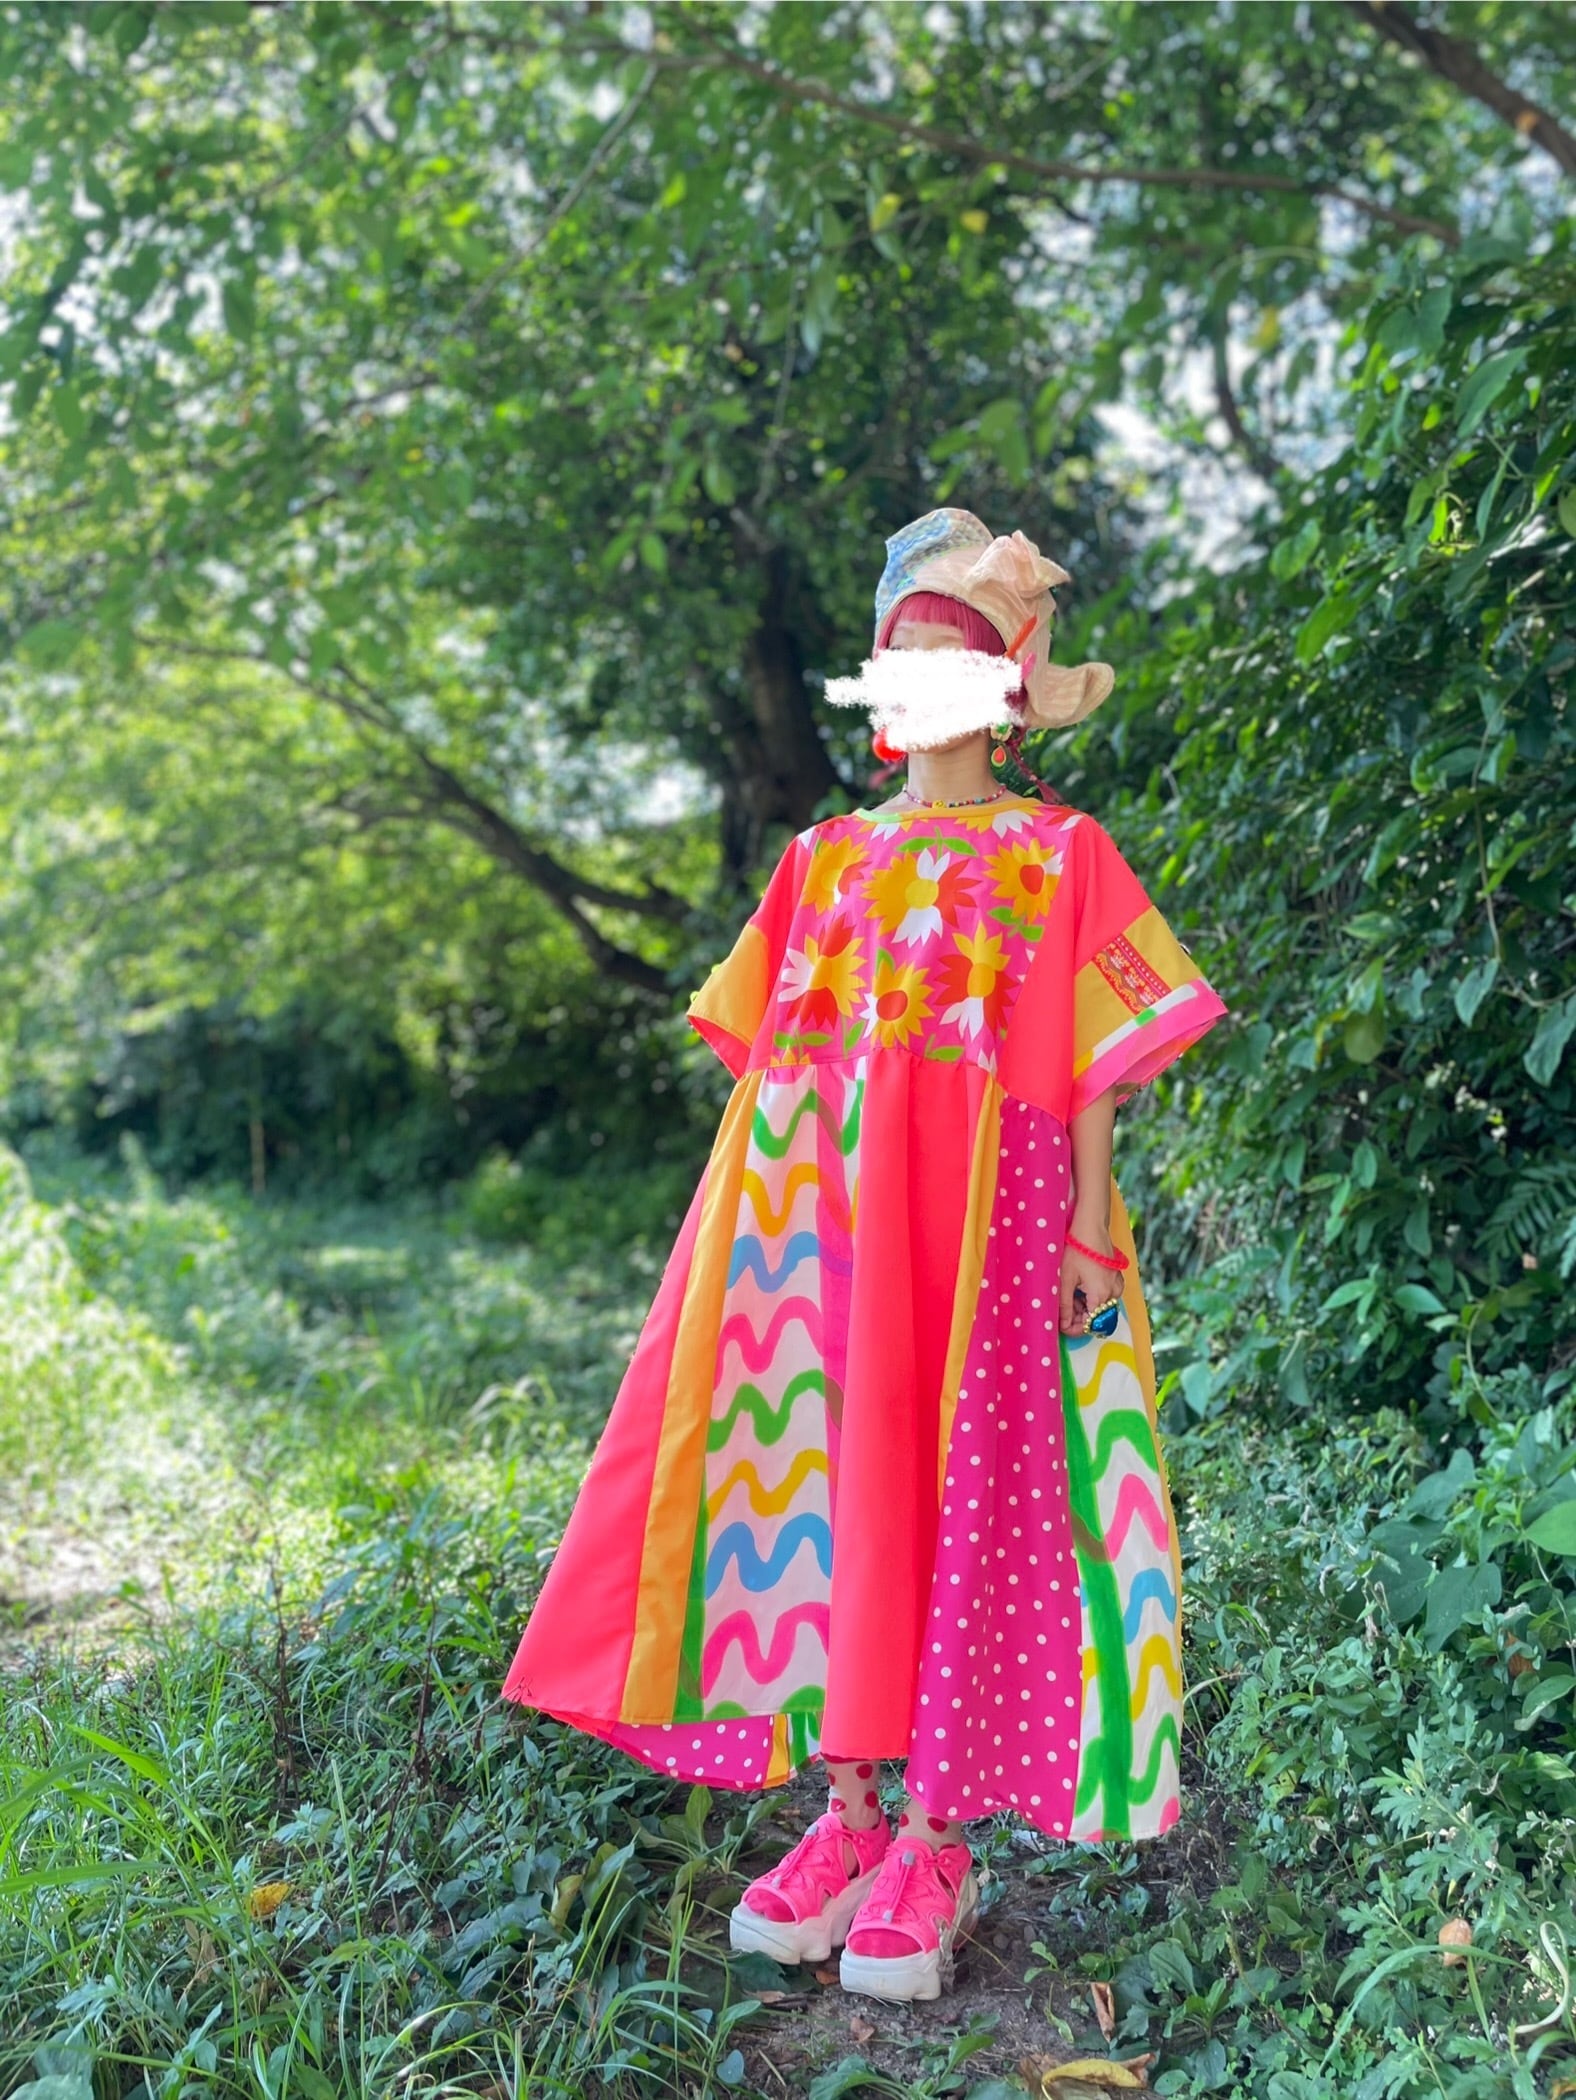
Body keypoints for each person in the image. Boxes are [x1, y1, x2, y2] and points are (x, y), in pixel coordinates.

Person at [501, 508, 1229, 2003]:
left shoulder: (1061, 853)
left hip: (992, 1220)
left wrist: (1091, 1226)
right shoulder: (825, 859)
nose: (917, 683)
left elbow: (1097, 1062)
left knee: (966, 1488)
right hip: (820, 1233)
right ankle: (847, 1813)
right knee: (827, 1488)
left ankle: (940, 1839)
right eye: (900, 658)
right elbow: (767, 1064)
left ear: (1003, 688)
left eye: (948, 656)